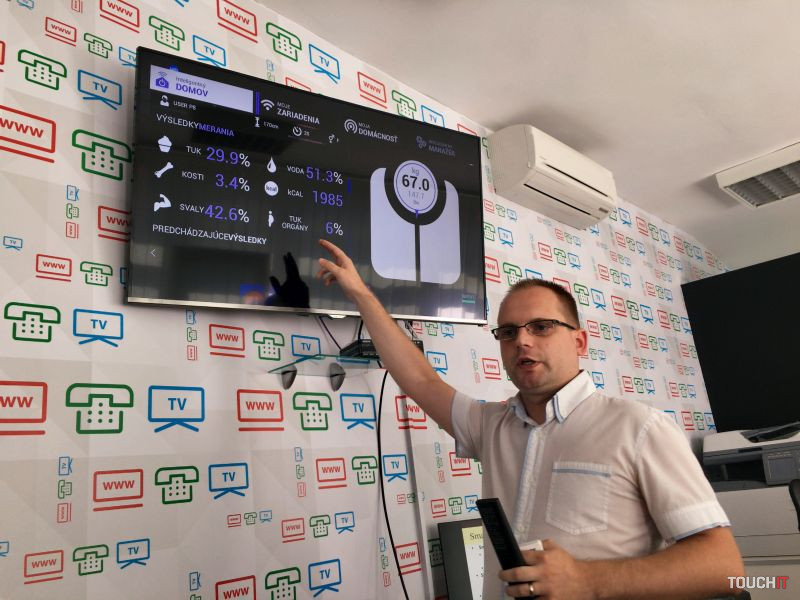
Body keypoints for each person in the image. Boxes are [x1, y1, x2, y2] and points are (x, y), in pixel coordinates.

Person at [316, 239, 744, 600]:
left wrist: (588, 580)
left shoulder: (640, 428)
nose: (521, 340)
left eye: (541, 327)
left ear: (579, 341)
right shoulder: (491, 425)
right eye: (508, 332)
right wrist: (362, 295)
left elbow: (723, 565)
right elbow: (421, 379)